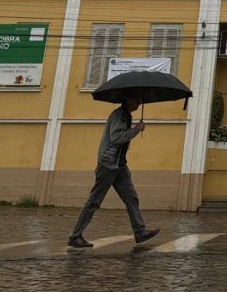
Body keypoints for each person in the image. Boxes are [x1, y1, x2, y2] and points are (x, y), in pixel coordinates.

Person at [68, 91, 161, 248]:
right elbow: (116, 138)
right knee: (94, 202)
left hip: (119, 165)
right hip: (108, 164)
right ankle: (75, 236)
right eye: (136, 99)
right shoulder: (119, 115)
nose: (139, 102)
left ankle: (140, 231)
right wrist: (137, 129)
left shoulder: (126, 115)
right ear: (128, 100)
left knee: (131, 198)